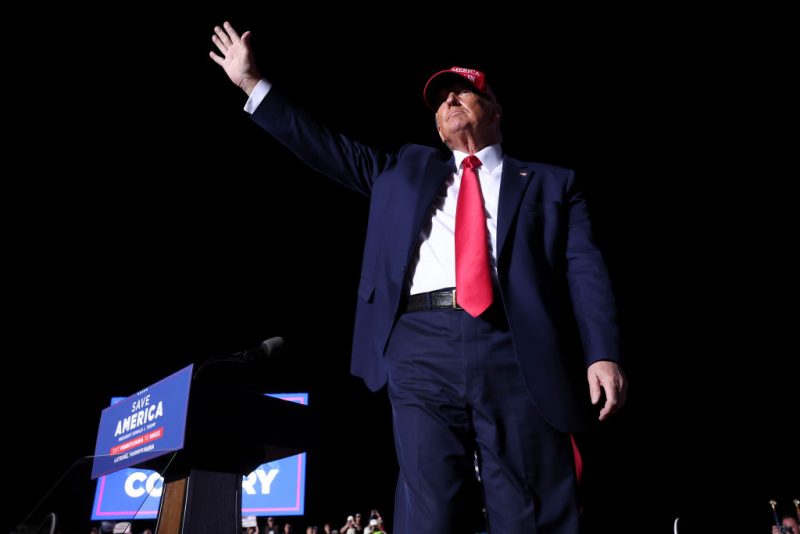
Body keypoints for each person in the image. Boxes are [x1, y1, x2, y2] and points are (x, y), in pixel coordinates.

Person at [210, 21, 627, 534]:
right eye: (441, 99)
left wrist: (601, 352)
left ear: (494, 109)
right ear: (434, 126)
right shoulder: (403, 170)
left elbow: (584, 269)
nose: (451, 101)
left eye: (464, 92)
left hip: (514, 345)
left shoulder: (552, 184)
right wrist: (254, 85)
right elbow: (323, 145)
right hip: (420, 344)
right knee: (430, 508)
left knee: (529, 507)